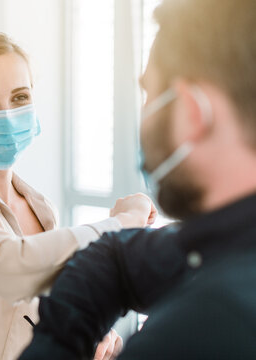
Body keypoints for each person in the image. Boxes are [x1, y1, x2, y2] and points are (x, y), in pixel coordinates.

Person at [19, 0, 256, 358]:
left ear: (193, 112)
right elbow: (115, 258)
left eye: (149, 94)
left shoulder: (198, 329)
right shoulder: (224, 244)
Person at [0, 33, 156, 360]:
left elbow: (34, 311)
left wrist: (86, 330)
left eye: (19, 97)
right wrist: (121, 223)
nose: (8, 115)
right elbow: (14, 268)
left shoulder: (41, 207)